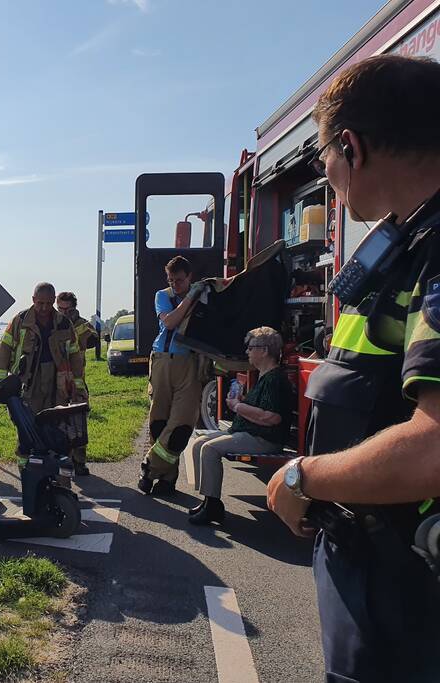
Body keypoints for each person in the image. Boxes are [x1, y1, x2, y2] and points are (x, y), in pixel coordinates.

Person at [266, 55, 440, 682]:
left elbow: (434, 448)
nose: (327, 176)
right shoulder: (412, 245)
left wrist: (302, 476)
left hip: (409, 596)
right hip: (380, 572)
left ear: (351, 146)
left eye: (322, 159)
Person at [187, 327, 292, 525]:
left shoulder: (274, 380)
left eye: (251, 348)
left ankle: (213, 506)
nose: (247, 352)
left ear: (264, 350)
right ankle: (208, 500)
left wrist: (238, 406)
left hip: (264, 439)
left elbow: (272, 418)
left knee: (210, 449)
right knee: (199, 442)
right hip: (250, 433)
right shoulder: (265, 376)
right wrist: (242, 401)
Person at [0, 282, 87, 469]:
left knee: (58, 425)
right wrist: (1, 382)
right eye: (40, 303)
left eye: (48, 303)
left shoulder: (63, 323)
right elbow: (3, 351)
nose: (44, 308)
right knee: (28, 425)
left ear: (53, 301)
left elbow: (75, 354)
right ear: (33, 300)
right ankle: (24, 466)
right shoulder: (19, 321)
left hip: (57, 382)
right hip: (29, 382)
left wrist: (78, 383)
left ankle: (55, 468)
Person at [138, 256, 205, 496]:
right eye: (171, 280)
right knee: (160, 422)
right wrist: (189, 298)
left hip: (190, 364)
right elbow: (169, 323)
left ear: (190, 277)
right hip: (163, 360)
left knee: (181, 424)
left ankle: (149, 468)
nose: (175, 284)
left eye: (179, 280)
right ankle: (167, 478)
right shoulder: (163, 296)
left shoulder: (203, 297)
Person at [57, 291, 99, 474]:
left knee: (79, 423)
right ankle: (62, 458)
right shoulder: (53, 323)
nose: (64, 312)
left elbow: (93, 339)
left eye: (68, 309)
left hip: (77, 381)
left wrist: (74, 324)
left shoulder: (81, 325)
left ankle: (79, 462)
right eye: (60, 308)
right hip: (56, 381)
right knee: (59, 423)